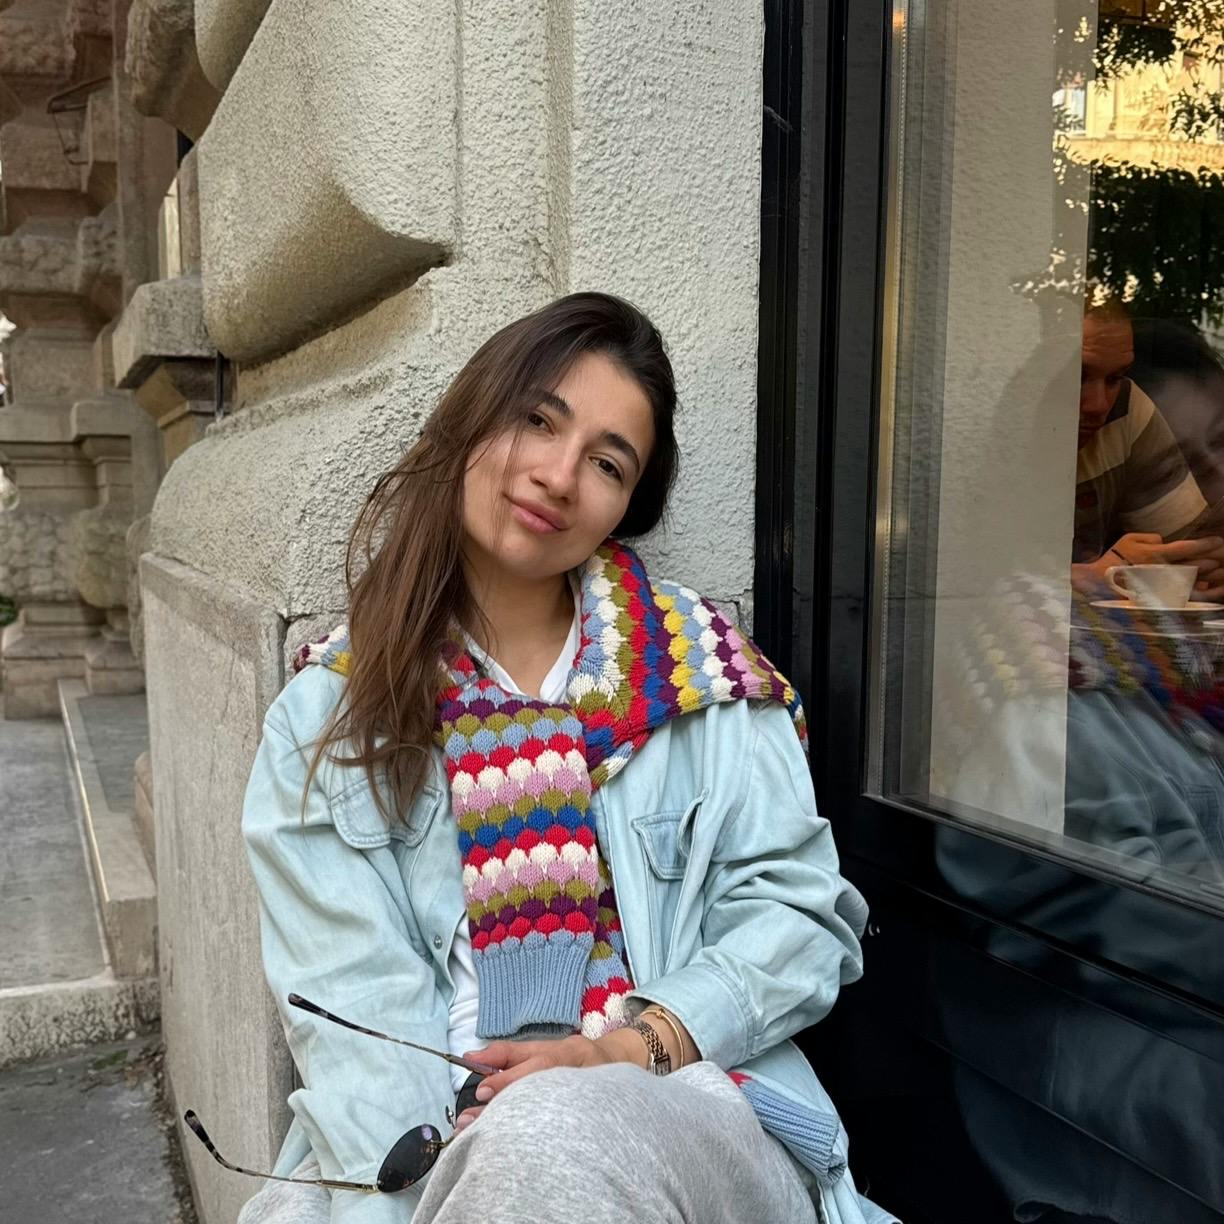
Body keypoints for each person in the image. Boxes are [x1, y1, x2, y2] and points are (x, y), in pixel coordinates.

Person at [225, 293, 896, 1224]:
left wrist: (627, 1049)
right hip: (422, 1145)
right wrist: (432, 1179)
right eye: (537, 420)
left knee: (548, 1133)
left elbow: (799, 921)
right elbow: (353, 1019)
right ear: (472, 415)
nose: (557, 475)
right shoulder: (332, 718)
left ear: (626, 505)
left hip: (692, 1106)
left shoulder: (701, 676)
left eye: (607, 463)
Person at [1071, 301, 1224, 599]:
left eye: (1115, 378)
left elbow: (1189, 570)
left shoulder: (1128, 409)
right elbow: (975, 577)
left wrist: (1203, 568)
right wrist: (1084, 579)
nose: (1099, 405)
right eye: (1078, 376)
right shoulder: (985, 434)